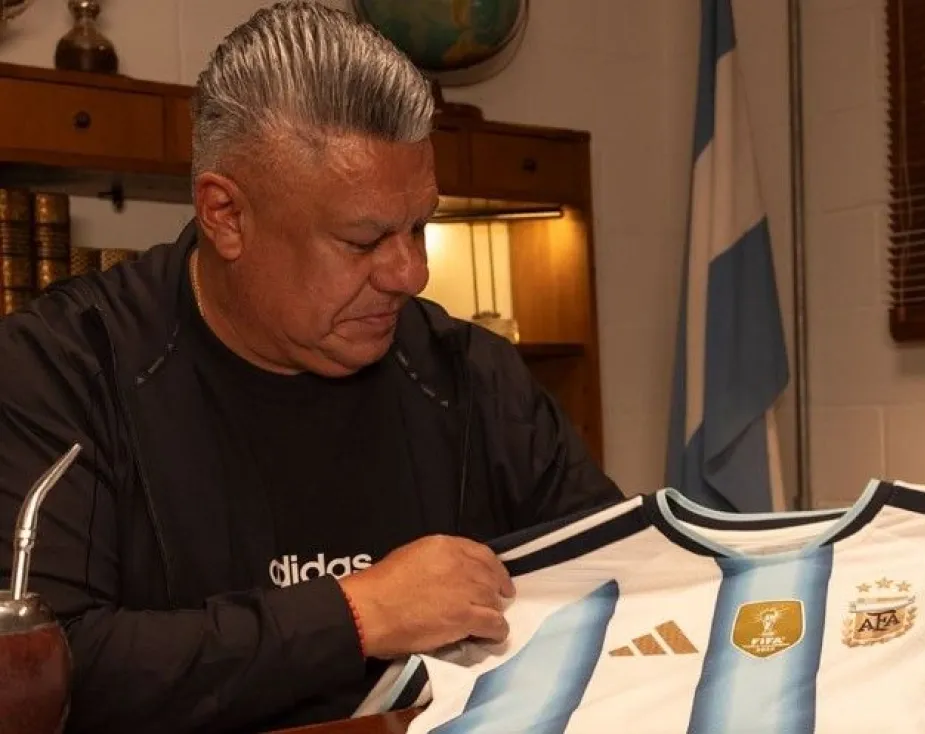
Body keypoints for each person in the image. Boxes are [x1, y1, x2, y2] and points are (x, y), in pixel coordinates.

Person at [0, 3, 622, 733]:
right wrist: (356, 614)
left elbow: (615, 583)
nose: (411, 273)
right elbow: (47, 667)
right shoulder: (61, 371)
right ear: (226, 216)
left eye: (419, 225)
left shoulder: (470, 375)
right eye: (364, 241)